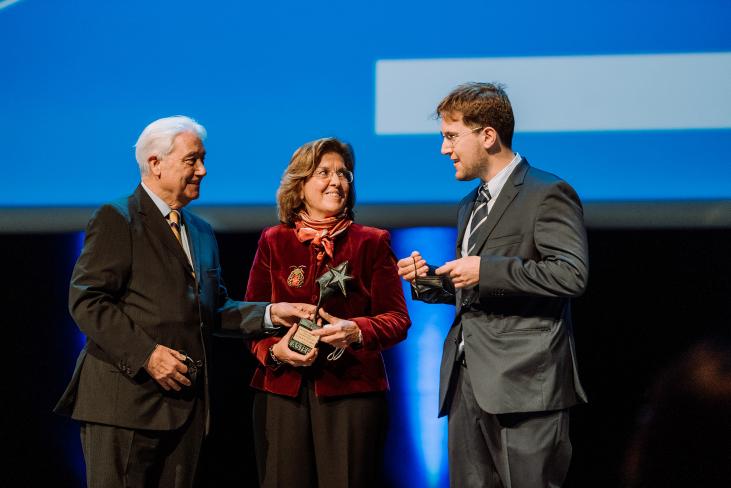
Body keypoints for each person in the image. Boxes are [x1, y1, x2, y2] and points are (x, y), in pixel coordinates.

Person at [54, 116, 314, 488]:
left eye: (203, 159)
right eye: (192, 160)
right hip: (125, 405)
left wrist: (272, 313)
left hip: (186, 409)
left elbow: (212, 311)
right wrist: (147, 355)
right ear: (155, 164)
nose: (203, 170)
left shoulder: (201, 231)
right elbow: (87, 301)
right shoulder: (118, 218)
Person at [397, 82, 589, 488]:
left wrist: (487, 270)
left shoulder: (546, 192)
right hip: (467, 384)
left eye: (451, 137)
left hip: (524, 384)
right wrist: (430, 278)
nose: (444, 149)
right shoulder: (470, 204)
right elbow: (473, 287)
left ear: (488, 135)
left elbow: (570, 274)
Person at [245, 137, 410, 488]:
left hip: (351, 393)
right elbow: (251, 318)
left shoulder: (372, 241)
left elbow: (397, 319)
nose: (336, 181)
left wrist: (357, 330)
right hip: (281, 393)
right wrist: (274, 352)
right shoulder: (273, 240)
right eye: (324, 172)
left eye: (344, 173)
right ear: (300, 184)